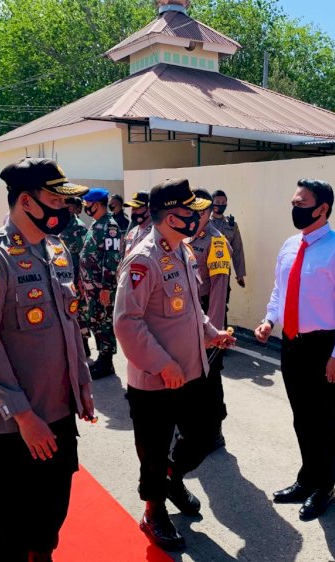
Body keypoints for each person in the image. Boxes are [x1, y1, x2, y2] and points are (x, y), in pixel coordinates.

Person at [0, 157, 94, 562]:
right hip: (12, 424)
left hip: (57, 410)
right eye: (55, 199)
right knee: (12, 531)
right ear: (27, 202)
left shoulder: (56, 251)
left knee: (51, 515)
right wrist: (23, 415)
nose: (65, 209)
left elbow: (70, 327)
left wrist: (81, 385)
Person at [114, 178, 235, 551]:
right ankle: (154, 512)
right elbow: (126, 321)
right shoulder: (143, 259)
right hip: (156, 379)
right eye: (188, 211)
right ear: (171, 215)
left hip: (192, 371)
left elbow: (190, 310)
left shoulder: (181, 249)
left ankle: (172, 477)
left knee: (202, 435)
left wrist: (212, 332)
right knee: (153, 449)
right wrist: (163, 364)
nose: (196, 217)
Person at [255, 179, 335, 521]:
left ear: (322, 209)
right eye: (294, 201)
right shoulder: (290, 245)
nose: (294, 208)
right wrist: (269, 320)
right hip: (292, 342)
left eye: (301, 203)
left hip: (326, 346)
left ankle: (324, 486)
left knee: (325, 418)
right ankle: (307, 478)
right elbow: (280, 291)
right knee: (302, 414)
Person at [188, 188, 231, 450]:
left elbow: (218, 289)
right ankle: (193, 425)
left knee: (211, 375)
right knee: (192, 375)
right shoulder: (184, 239)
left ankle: (214, 430)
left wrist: (213, 333)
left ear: (206, 211)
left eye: (197, 209)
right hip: (187, 315)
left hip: (208, 314)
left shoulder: (216, 241)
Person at [79, 188, 121, 379]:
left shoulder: (110, 227)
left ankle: (107, 362)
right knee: (95, 320)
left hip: (102, 287)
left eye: (89, 203)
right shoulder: (97, 224)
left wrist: (105, 287)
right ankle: (101, 359)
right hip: (91, 286)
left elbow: (111, 259)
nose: (86, 206)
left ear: (98, 204)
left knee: (104, 322)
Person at [59, 197, 90, 357]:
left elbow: (84, 256)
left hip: (77, 278)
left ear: (71, 208)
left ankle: (83, 346)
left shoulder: (79, 228)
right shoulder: (61, 225)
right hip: (64, 277)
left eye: (64, 205)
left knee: (80, 312)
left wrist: (81, 279)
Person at [211, 189, 246, 288]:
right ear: (212, 204)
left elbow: (237, 250)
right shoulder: (205, 223)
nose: (220, 205)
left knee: (223, 300)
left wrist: (240, 274)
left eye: (223, 203)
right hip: (207, 271)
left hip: (224, 271)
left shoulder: (232, 225)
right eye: (217, 202)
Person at [120, 190, 151, 259]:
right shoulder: (132, 232)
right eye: (132, 207)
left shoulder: (156, 232)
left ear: (149, 209)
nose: (133, 211)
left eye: (137, 207)